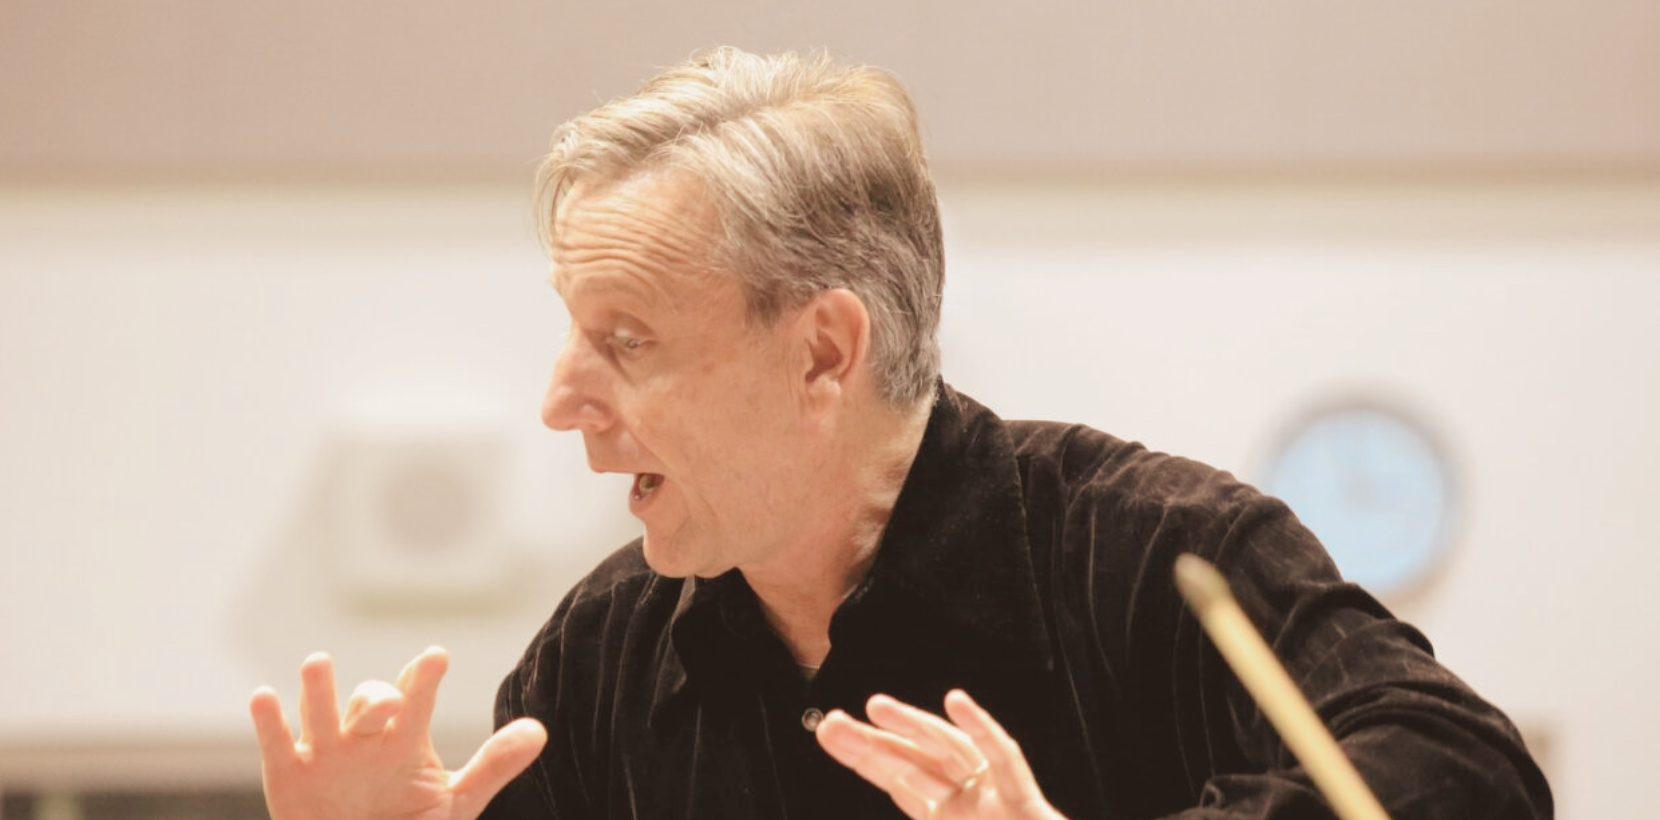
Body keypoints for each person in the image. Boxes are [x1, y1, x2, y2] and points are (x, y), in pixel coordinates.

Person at [249, 47, 1553, 820]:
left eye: (628, 340)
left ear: (822, 352)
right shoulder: (595, 665)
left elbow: (1470, 777)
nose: (558, 400)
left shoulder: (1154, 551)